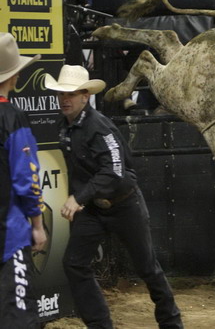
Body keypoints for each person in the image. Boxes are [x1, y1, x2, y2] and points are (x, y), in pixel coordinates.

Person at [44, 65, 183, 328]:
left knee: (147, 268)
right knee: (74, 263)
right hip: (93, 209)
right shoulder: (64, 128)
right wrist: (81, 198)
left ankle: (172, 323)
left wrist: (78, 197)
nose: (65, 99)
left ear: (85, 96)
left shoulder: (99, 127)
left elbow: (115, 171)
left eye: (71, 94)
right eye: (62, 94)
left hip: (123, 205)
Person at [0, 33, 47, 328]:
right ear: (14, 75)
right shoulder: (12, 117)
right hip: (9, 233)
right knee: (17, 315)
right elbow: (26, 177)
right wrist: (38, 225)